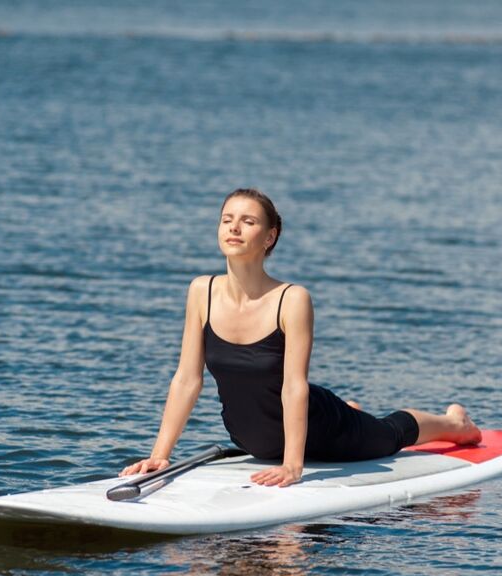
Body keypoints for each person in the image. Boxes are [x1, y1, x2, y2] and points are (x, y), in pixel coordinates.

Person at [121, 188, 480, 487]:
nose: (234, 228)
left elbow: (295, 386)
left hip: (319, 430)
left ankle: (454, 422)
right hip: (251, 439)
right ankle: (350, 410)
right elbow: (187, 379)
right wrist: (159, 455)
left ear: (270, 236)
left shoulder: (291, 300)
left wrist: (293, 466)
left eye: (248, 221)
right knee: (349, 419)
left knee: (386, 437)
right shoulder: (202, 291)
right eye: (227, 219)